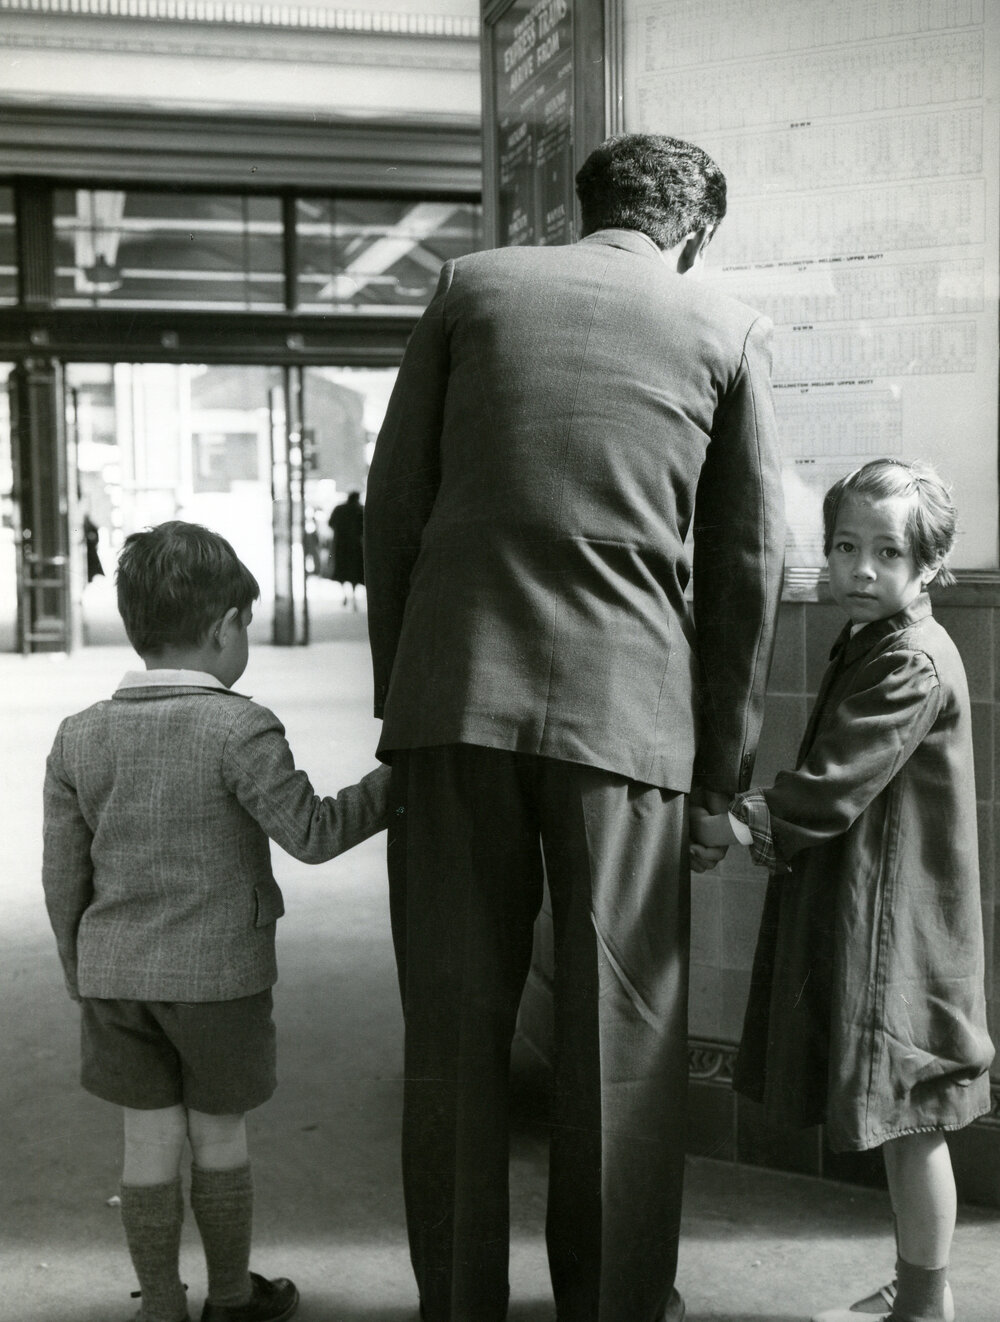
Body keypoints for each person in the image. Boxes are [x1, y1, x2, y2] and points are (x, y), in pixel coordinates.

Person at [364, 133, 785, 1322]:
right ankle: (611, 1302)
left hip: (453, 701)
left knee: (452, 1024)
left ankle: (459, 1304)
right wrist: (719, 774)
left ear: (577, 208)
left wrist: (409, 700)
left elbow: (392, 507)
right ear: (694, 232)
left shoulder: (472, 287)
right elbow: (746, 566)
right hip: (628, 717)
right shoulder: (726, 327)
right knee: (623, 1038)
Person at [41, 520, 391, 1322]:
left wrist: (79, 968)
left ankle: (161, 1306)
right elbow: (311, 832)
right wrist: (396, 779)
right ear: (223, 627)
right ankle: (232, 1300)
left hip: (116, 980)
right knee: (220, 1139)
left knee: (146, 1144)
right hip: (220, 982)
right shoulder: (240, 726)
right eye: (247, 629)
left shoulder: (79, 737)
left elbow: (65, 876)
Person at [690, 459, 994, 1322]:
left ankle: (925, 1305)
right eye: (845, 546)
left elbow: (828, 788)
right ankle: (917, 1287)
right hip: (887, 912)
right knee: (905, 1113)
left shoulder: (912, 661)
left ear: (930, 564)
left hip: (906, 932)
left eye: (887, 552)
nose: (860, 569)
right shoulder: (879, 640)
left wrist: (730, 823)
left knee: (914, 1115)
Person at [328, 491, 365, 609]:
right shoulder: (359, 509)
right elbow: (364, 527)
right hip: (354, 545)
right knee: (354, 571)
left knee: (341, 570)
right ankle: (353, 596)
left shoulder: (339, 509)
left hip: (340, 544)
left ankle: (344, 594)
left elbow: (330, 523)